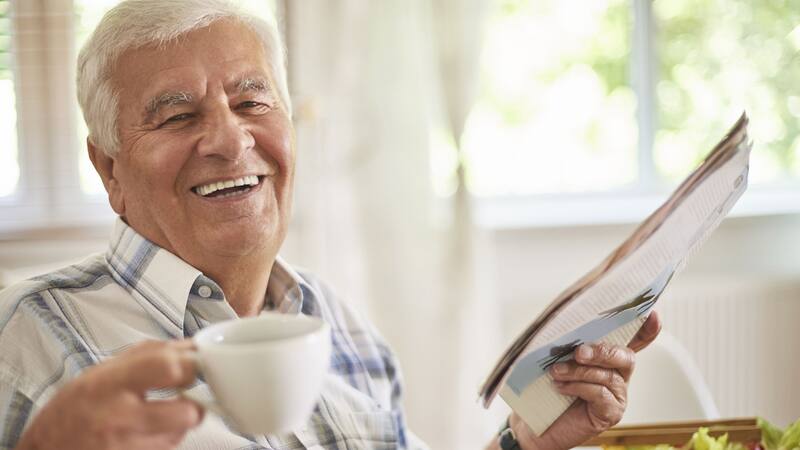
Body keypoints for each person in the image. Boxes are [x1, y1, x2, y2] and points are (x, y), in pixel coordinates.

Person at [0, 1, 661, 449]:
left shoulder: (344, 329)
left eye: (251, 100)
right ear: (108, 167)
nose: (230, 142)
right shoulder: (24, 334)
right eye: (176, 117)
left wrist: (525, 440)